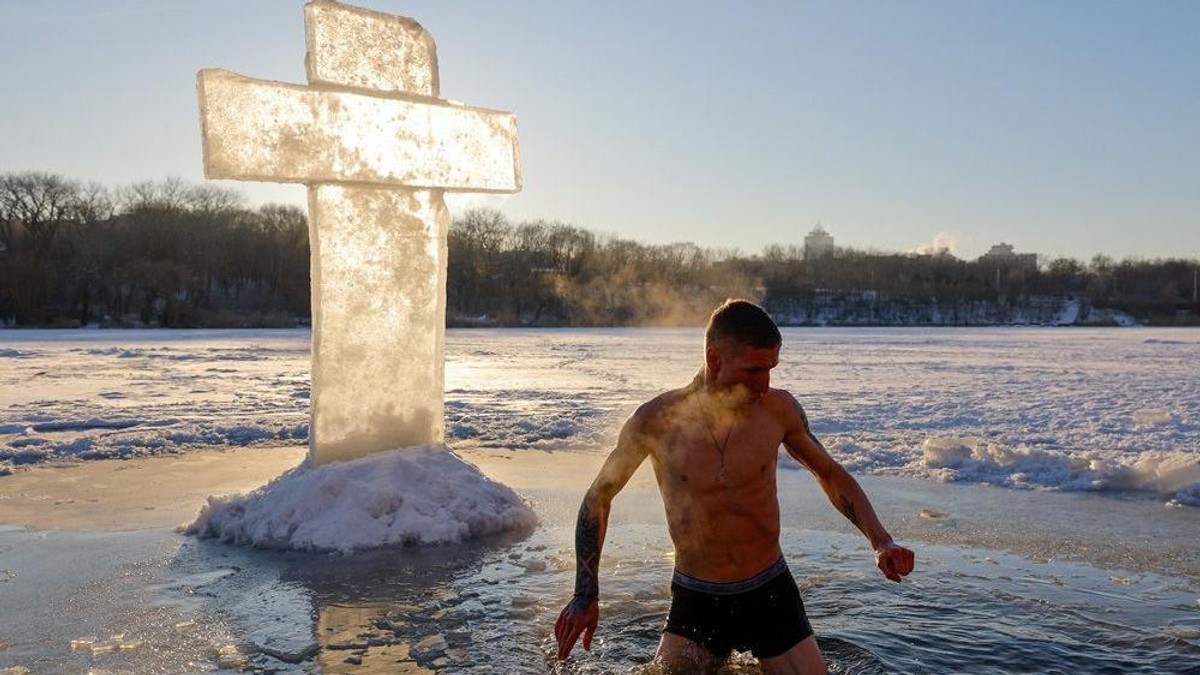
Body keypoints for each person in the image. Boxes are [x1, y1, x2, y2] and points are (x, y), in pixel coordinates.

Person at [554, 299, 915, 674]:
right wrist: (585, 593)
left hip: (769, 590)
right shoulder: (657, 421)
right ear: (714, 360)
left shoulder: (779, 411)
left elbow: (830, 474)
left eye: (771, 369)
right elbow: (599, 496)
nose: (764, 385)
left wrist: (880, 540)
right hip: (698, 596)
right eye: (754, 371)